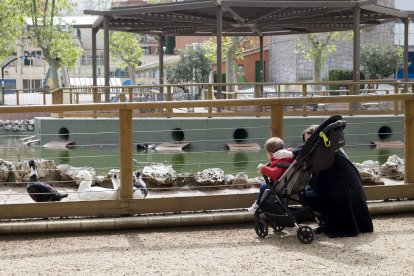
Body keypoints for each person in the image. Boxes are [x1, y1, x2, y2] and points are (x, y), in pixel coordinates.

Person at [275, 124, 373, 238]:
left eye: (310, 141)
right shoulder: (332, 149)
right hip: (350, 188)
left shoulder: (324, 151)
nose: (307, 145)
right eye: (306, 141)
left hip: (341, 190)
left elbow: (309, 149)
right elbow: (307, 148)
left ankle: (334, 223)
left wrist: (291, 153)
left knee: (306, 197)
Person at [247, 137, 294, 213]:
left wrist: (263, 168)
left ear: (271, 154)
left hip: (282, 186)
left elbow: (274, 173)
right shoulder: (289, 157)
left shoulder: (279, 163)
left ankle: (257, 205)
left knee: (263, 187)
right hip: (290, 182)